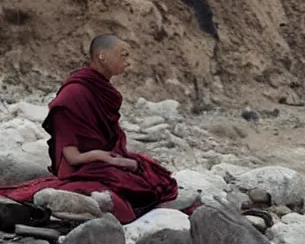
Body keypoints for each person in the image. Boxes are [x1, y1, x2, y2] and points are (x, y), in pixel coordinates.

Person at [0, 35, 178, 223]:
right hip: (81, 166)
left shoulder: (102, 89)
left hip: (103, 159)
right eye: (123, 55)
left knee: (152, 171)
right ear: (102, 56)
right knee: (132, 186)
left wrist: (118, 159)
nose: (128, 62)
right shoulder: (73, 96)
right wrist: (103, 157)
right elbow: (72, 157)